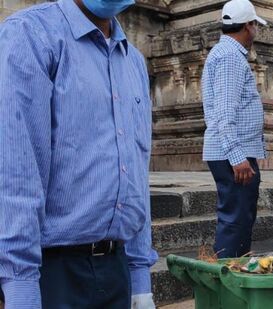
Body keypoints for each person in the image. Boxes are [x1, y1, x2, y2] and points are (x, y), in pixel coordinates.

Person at [0, 0, 158, 308]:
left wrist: (140, 277)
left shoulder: (134, 62)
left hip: (117, 266)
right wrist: (19, 286)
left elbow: (137, 172)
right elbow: (18, 170)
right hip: (53, 272)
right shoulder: (32, 35)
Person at [201, 0, 267, 258]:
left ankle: (232, 275)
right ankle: (226, 283)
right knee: (235, 221)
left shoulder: (226, 53)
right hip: (233, 153)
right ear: (248, 26)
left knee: (239, 218)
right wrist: (237, 157)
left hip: (231, 151)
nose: (255, 32)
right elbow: (225, 113)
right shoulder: (230, 56)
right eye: (255, 26)